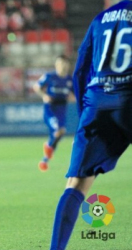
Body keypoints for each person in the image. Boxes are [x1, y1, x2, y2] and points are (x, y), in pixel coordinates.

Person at [50, 1, 132, 249]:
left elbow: (80, 71)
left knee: (76, 183)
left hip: (98, 103)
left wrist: (86, 115)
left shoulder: (101, 18)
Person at [33, 55, 74, 172]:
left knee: (60, 133)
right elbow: (36, 86)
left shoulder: (69, 80)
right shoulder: (50, 76)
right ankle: (47, 151)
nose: (62, 66)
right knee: (57, 131)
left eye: (64, 64)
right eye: (60, 64)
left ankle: (44, 160)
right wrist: (44, 95)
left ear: (68, 65)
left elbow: (75, 95)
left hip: (62, 109)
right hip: (50, 108)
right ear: (56, 65)